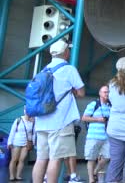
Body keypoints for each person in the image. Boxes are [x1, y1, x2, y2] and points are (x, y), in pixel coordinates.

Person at [31, 40, 85, 183]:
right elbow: (81, 92)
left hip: (42, 121)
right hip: (60, 122)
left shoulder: (44, 70)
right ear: (66, 52)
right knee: (55, 159)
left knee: (41, 158)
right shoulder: (69, 69)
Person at [82, 85, 111, 183]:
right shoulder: (93, 104)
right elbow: (84, 118)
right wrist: (98, 119)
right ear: (99, 93)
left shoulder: (110, 106)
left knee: (108, 156)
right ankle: (91, 179)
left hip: (106, 137)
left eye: (108, 92)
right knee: (91, 158)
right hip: (93, 136)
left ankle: (95, 171)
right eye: (104, 92)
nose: (107, 94)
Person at [7, 107, 34, 181]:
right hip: (16, 142)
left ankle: (18, 175)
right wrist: (9, 142)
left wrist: (33, 142)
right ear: (25, 112)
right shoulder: (18, 120)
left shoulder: (32, 121)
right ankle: (12, 176)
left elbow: (33, 133)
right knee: (14, 159)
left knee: (22, 160)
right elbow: (12, 132)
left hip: (26, 143)